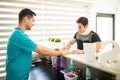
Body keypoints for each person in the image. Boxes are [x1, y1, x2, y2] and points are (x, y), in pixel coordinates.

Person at [6, 8, 71, 80]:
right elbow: (43, 51)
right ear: (26, 19)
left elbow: (37, 46)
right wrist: (61, 52)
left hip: (19, 75)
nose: (34, 24)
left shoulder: (18, 34)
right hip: (16, 77)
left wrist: (52, 50)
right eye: (33, 20)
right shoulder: (19, 36)